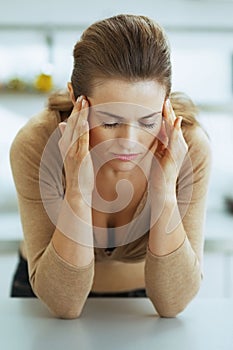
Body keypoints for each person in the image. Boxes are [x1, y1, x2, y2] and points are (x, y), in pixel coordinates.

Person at [10, 14, 211, 319]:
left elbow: (173, 304)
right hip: (45, 293)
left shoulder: (188, 146)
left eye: (147, 121)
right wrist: (77, 190)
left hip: (144, 300)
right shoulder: (37, 143)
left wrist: (163, 191)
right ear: (77, 100)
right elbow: (64, 305)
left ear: (165, 106)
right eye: (111, 121)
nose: (129, 141)